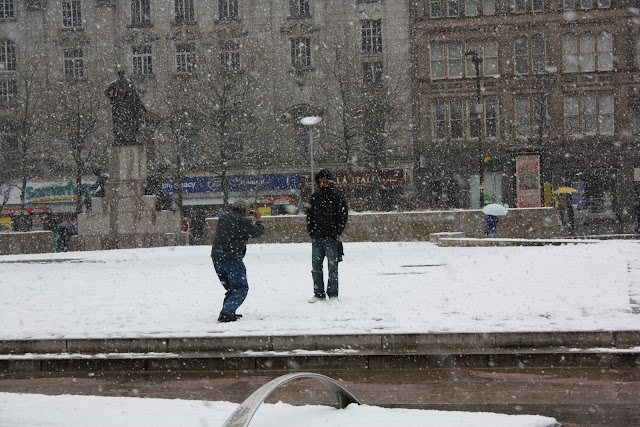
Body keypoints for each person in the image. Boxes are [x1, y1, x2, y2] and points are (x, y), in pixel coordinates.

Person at [211, 199, 264, 323]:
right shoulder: (243, 221)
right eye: (248, 208)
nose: (249, 210)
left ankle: (228, 311)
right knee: (240, 288)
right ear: (244, 209)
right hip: (232, 258)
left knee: (231, 288)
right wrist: (258, 220)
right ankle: (226, 313)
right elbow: (258, 232)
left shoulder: (223, 218)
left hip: (217, 257)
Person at [306, 169, 349, 303]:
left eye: (324, 182)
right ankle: (319, 293)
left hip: (331, 238)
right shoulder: (315, 197)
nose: (322, 184)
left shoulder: (337, 197)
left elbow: (343, 217)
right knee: (316, 268)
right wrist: (311, 230)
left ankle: (333, 294)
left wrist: (335, 234)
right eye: (320, 182)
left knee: (332, 268)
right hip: (317, 237)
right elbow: (309, 215)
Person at [105, 70, 146, 146]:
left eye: (123, 74)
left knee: (127, 122)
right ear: (119, 74)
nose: (122, 75)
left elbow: (135, 94)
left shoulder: (128, 83)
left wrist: (140, 105)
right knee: (121, 122)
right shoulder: (116, 83)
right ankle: (121, 137)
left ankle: (128, 137)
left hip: (126, 106)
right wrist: (112, 98)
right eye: (121, 74)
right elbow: (106, 91)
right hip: (120, 106)